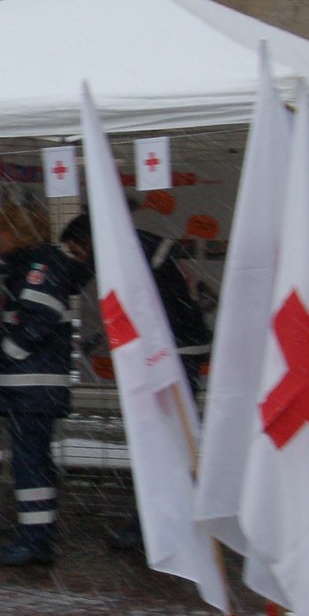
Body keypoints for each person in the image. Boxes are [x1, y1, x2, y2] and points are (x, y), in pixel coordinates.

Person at [58, 212, 213, 552]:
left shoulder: (127, 253)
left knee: (162, 441)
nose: (79, 260)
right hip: (178, 349)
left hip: (170, 354)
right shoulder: (138, 247)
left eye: (77, 251)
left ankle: (158, 525)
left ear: (88, 242)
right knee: (171, 440)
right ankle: (171, 519)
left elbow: (138, 308)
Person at [0, 201, 76, 567]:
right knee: (32, 462)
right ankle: (34, 536)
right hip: (30, 385)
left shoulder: (39, 265)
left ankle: (35, 540)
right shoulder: (35, 264)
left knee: (31, 464)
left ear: (18, 231)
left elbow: (38, 320)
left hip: (32, 384)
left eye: (2, 230)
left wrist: (8, 350)